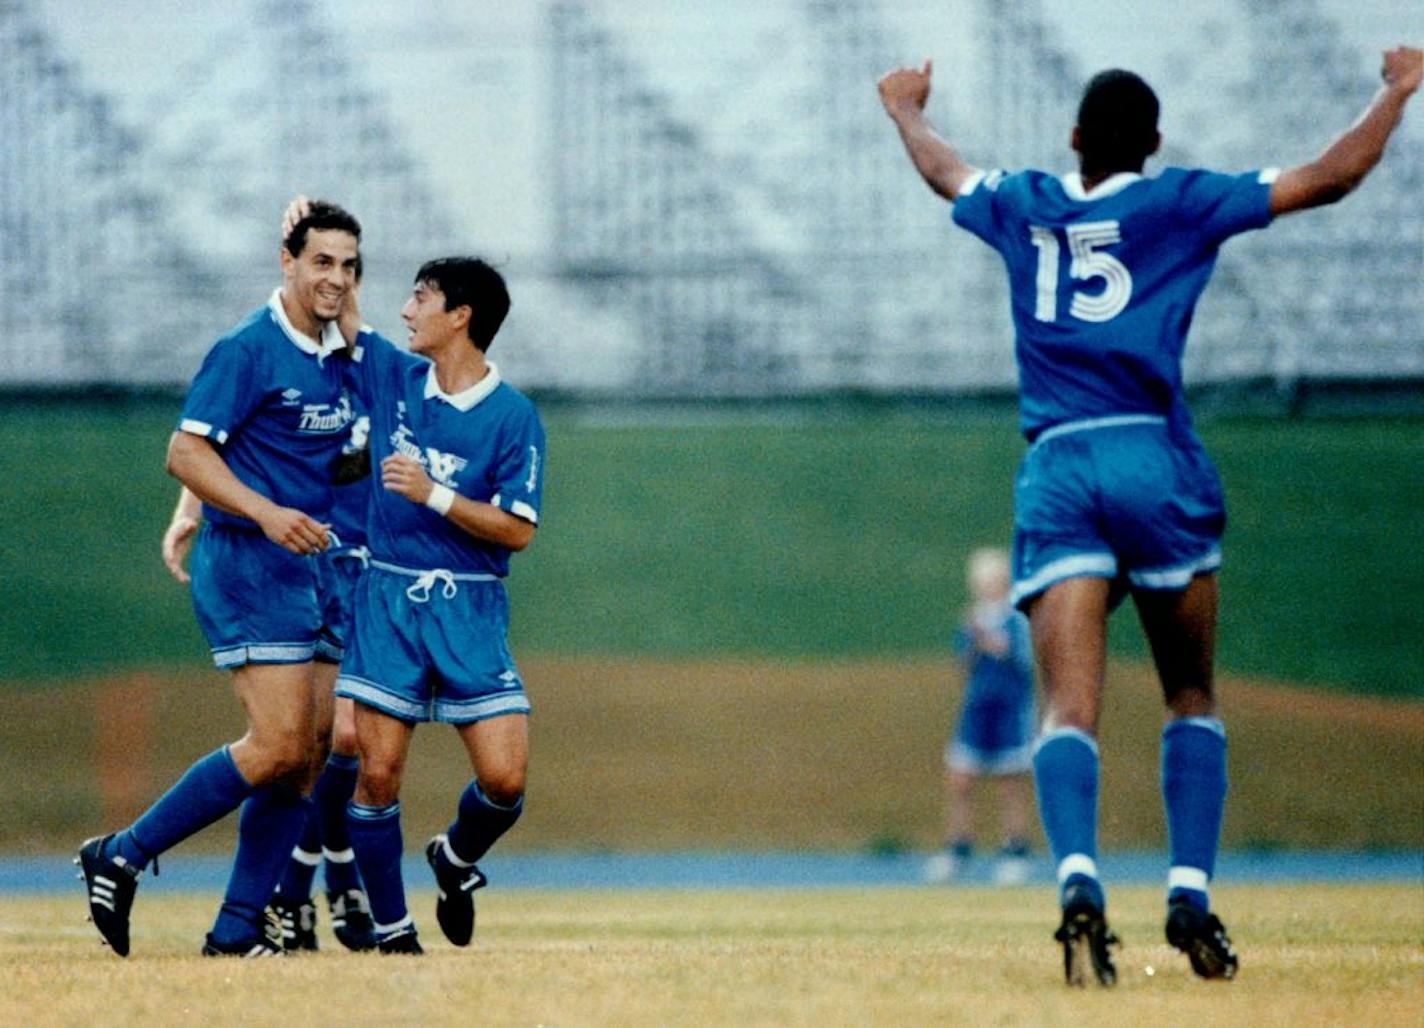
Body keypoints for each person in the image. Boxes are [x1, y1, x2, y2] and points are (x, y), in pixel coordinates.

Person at [878, 46, 1422, 985]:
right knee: (1190, 696)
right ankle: (1189, 893)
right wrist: (1397, 90)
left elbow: (942, 170)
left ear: (1075, 138)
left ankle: (1080, 880)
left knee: (1069, 708)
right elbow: (1334, 175)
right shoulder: (1180, 201)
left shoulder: (1024, 201)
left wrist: (905, 109)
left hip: (1060, 464)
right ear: (1155, 143)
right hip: (1154, 460)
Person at [78, 201, 363, 957]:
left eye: (350, 264)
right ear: (287, 261)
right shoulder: (246, 348)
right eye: (322, 261)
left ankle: (236, 929)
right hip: (251, 564)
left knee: (307, 753)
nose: (336, 278)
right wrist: (246, 512)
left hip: (313, 565)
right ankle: (123, 852)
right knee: (274, 746)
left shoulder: (334, 352)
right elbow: (188, 450)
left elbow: (234, 442)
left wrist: (198, 509)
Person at [315, 219, 543, 954]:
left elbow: (518, 530)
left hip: (471, 605)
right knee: (375, 774)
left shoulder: (514, 416)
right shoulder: (391, 373)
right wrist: (307, 239)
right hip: (387, 601)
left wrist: (433, 495)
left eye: (421, 297)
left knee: (505, 782)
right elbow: (341, 307)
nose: (406, 311)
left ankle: (455, 857)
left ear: (460, 316)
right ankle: (393, 931)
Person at [924, 548, 1035, 886]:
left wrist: (992, 641)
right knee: (960, 780)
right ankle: (959, 848)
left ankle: (1015, 850)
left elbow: (1021, 661)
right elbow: (963, 663)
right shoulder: (972, 619)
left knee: (1008, 784)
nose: (986, 587)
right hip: (976, 710)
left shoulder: (1017, 618)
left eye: (992, 580)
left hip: (1009, 710)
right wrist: (974, 639)